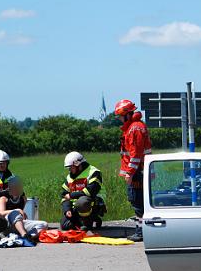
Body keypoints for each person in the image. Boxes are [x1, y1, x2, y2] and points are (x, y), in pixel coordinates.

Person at [115, 99, 152, 242]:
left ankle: (141, 231)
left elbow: (135, 155)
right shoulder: (135, 126)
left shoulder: (134, 128)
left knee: (137, 202)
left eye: (120, 116)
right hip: (140, 170)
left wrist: (129, 173)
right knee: (139, 202)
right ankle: (141, 230)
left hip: (137, 172)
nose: (119, 119)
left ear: (127, 114)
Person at [61, 151, 106, 231]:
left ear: (78, 165)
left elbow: (90, 192)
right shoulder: (69, 177)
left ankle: (87, 223)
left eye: (71, 167)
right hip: (77, 207)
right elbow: (64, 195)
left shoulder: (93, 172)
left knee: (82, 201)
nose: (70, 170)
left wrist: (71, 195)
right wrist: (67, 209)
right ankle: (89, 220)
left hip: (94, 203)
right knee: (65, 225)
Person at [0, 175, 47, 240]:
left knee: (44, 224)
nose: (18, 188)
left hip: (19, 223)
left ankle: (27, 237)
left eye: (18, 186)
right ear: (10, 187)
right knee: (15, 214)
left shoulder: (23, 199)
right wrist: (16, 210)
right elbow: (1, 213)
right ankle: (23, 235)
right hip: (7, 224)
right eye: (15, 186)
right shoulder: (3, 198)